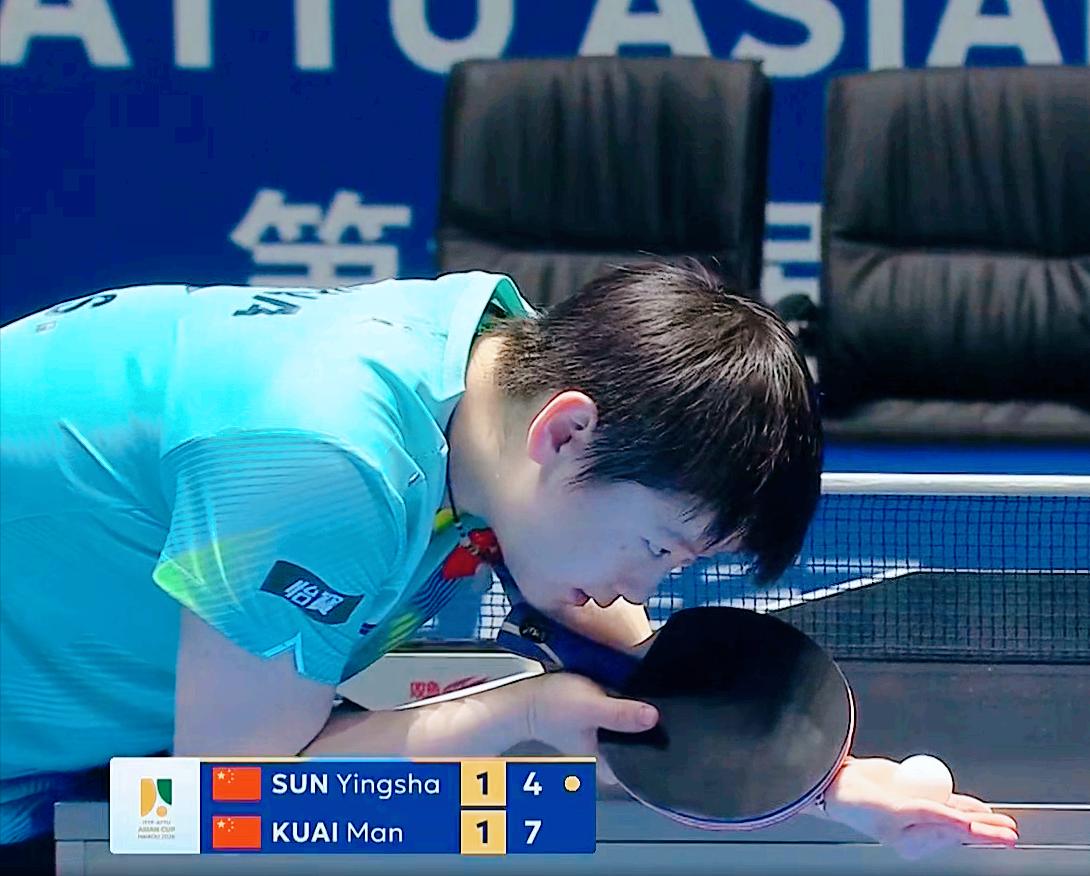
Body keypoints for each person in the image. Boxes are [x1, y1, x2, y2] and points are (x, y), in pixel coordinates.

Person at [0, 262, 1017, 866]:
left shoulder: (488, 364)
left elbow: (600, 629)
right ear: (567, 434)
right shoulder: (325, 462)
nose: (639, 590)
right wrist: (521, 712)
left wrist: (817, 778)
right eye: (657, 548)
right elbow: (229, 798)